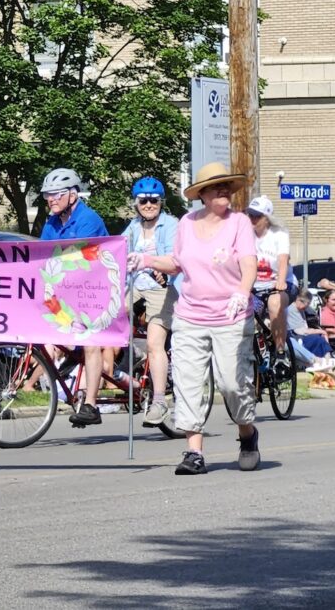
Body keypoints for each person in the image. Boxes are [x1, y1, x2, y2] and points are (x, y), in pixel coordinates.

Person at [129, 161, 260, 475]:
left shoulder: (239, 223)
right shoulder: (187, 223)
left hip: (231, 315)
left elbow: (250, 263)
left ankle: (247, 432)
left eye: (227, 186)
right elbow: (176, 262)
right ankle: (193, 451)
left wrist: (243, 291)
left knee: (232, 383)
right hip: (190, 315)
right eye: (217, 187)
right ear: (202, 194)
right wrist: (144, 259)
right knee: (187, 382)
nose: (224, 191)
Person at [38, 168, 110, 427]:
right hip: (66, 290)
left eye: (56, 195)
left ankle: (90, 404)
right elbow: (43, 255)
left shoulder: (88, 219)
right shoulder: (52, 222)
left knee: (90, 342)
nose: (51, 200)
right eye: (47, 195)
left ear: (72, 194)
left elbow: (78, 261)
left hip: (95, 289)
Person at [121, 176, 179, 427]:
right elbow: (117, 252)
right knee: (106, 318)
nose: (148, 204)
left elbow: (176, 259)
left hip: (161, 289)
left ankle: (159, 400)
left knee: (155, 342)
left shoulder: (171, 225)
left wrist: (162, 269)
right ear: (136, 203)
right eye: (143, 200)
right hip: (134, 287)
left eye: (153, 200)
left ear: (161, 202)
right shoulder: (133, 227)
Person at [245, 196, 296, 375]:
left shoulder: (279, 234)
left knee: (275, 303)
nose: (251, 218)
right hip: (256, 288)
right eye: (249, 214)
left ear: (267, 218)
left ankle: (281, 353)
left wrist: (280, 281)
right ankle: (255, 352)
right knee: (245, 311)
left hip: (280, 284)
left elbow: (283, 260)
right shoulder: (245, 235)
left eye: (256, 216)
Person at [286, 290, 335, 372]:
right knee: (318, 339)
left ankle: (327, 361)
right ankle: (326, 361)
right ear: (299, 300)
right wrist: (320, 331)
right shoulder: (291, 310)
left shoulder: (300, 310)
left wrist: (319, 332)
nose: (307, 306)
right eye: (307, 304)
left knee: (320, 338)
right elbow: (300, 331)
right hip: (297, 338)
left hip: (303, 336)